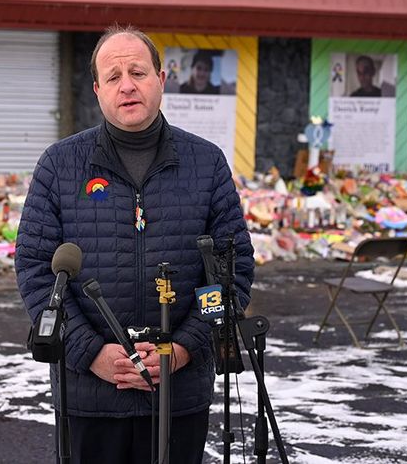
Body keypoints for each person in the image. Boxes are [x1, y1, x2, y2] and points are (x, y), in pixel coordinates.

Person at [15, 23, 254, 464]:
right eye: (113, 76)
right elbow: (35, 268)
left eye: (138, 73)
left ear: (161, 81)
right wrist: (92, 354)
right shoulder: (60, 164)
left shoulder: (206, 163)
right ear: (97, 90)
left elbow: (231, 271)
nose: (127, 86)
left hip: (178, 393)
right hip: (89, 394)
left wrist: (182, 349)